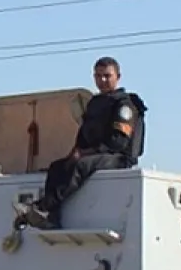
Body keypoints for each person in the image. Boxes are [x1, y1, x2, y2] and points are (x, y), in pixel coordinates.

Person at [15, 56, 147, 230]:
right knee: (57, 167)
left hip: (118, 157)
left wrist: (85, 153)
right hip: (95, 153)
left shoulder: (125, 105)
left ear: (118, 77)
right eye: (98, 76)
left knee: (80, 165)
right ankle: (51, 217)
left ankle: (43, 207)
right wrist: (74, 153)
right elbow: (84, 135)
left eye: (107, 76)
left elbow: (118, 142)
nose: (102, 80)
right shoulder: (95, 104)